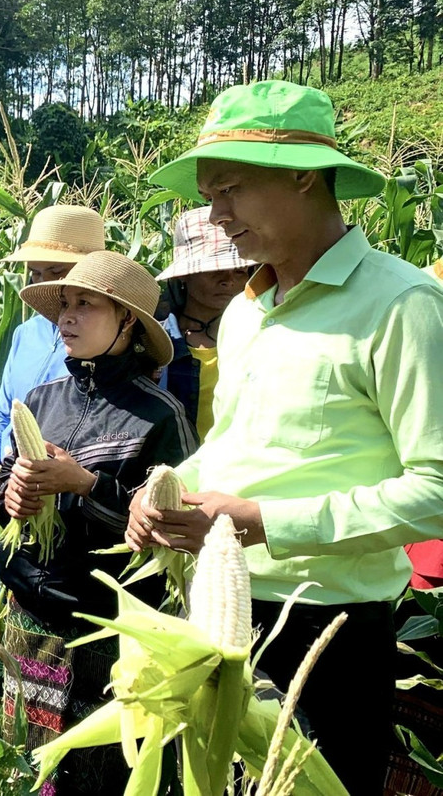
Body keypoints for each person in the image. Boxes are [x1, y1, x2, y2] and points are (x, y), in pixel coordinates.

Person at [126, 79, 443, 795]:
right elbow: (235, 440)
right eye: (209, 193)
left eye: (231, 188)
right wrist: (166, 488)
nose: (215, 214)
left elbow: (436, 491)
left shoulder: (402, 304)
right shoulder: (247, 312)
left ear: (305, 175)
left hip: (326, 638)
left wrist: (264, 522)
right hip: (219, 613)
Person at [0, 250, 195, 795]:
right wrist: (14, 494)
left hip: (104, 631)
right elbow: (6, 483)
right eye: (65, 305)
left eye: (85, 305)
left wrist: (85, 485)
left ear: (128, 322)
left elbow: (173, 534)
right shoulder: (40, 400)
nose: (66, 317)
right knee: (29, 764)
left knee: (94, 773)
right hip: (30, 617)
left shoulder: (159, 416)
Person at [0, 205, 107, 466]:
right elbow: (3, 414)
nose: (43, 282)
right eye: (35, 273)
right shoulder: (25, 334)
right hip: (9, 483)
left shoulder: (105, 345)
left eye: (56, 271)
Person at [155, 206, 250, 442]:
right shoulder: (156, 341)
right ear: (185, 275)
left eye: (239, 271)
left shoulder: (258, 337)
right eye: (214, 270)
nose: (228, 281)